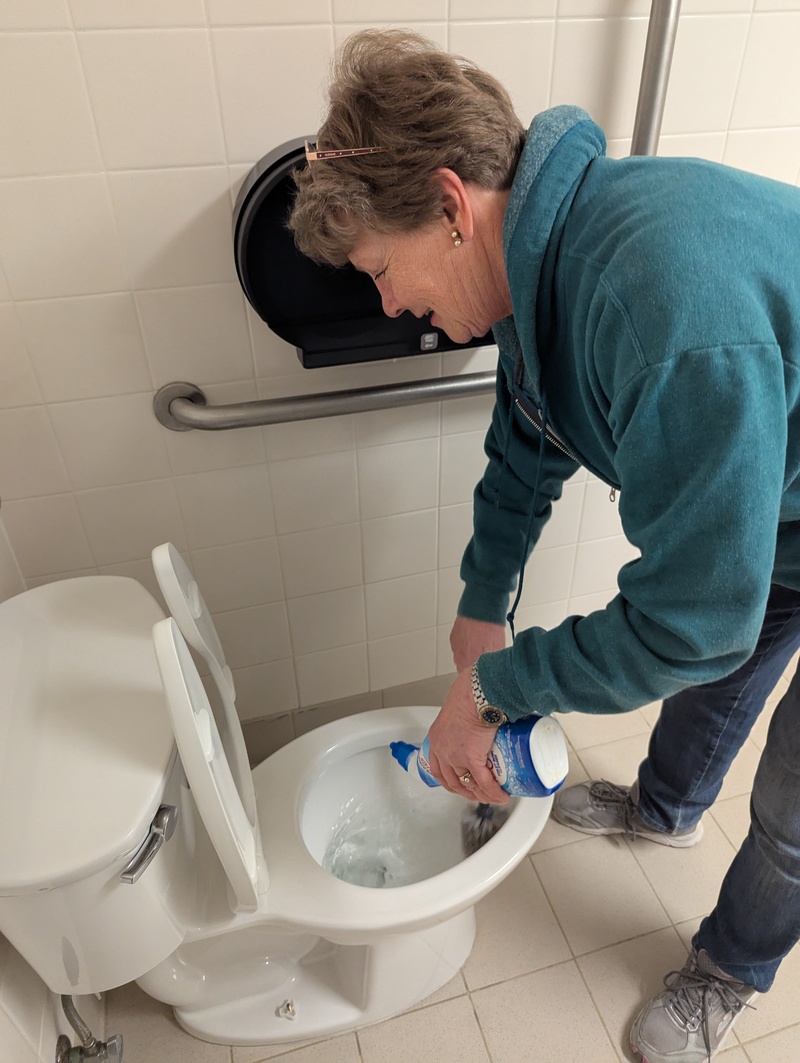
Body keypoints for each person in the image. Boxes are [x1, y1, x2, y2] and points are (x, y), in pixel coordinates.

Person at [288, 28, 800, 1063]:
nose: (388, 304)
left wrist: (499, 687)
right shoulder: (538, 260)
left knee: (790, 799)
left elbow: (689, 617)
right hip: (779, 502)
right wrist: (483, 605)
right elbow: (528, 438)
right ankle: (664, 808)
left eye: (382, 270)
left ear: (447, 203)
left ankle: (729, 967)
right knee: (726, 655)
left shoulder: (658, 304)